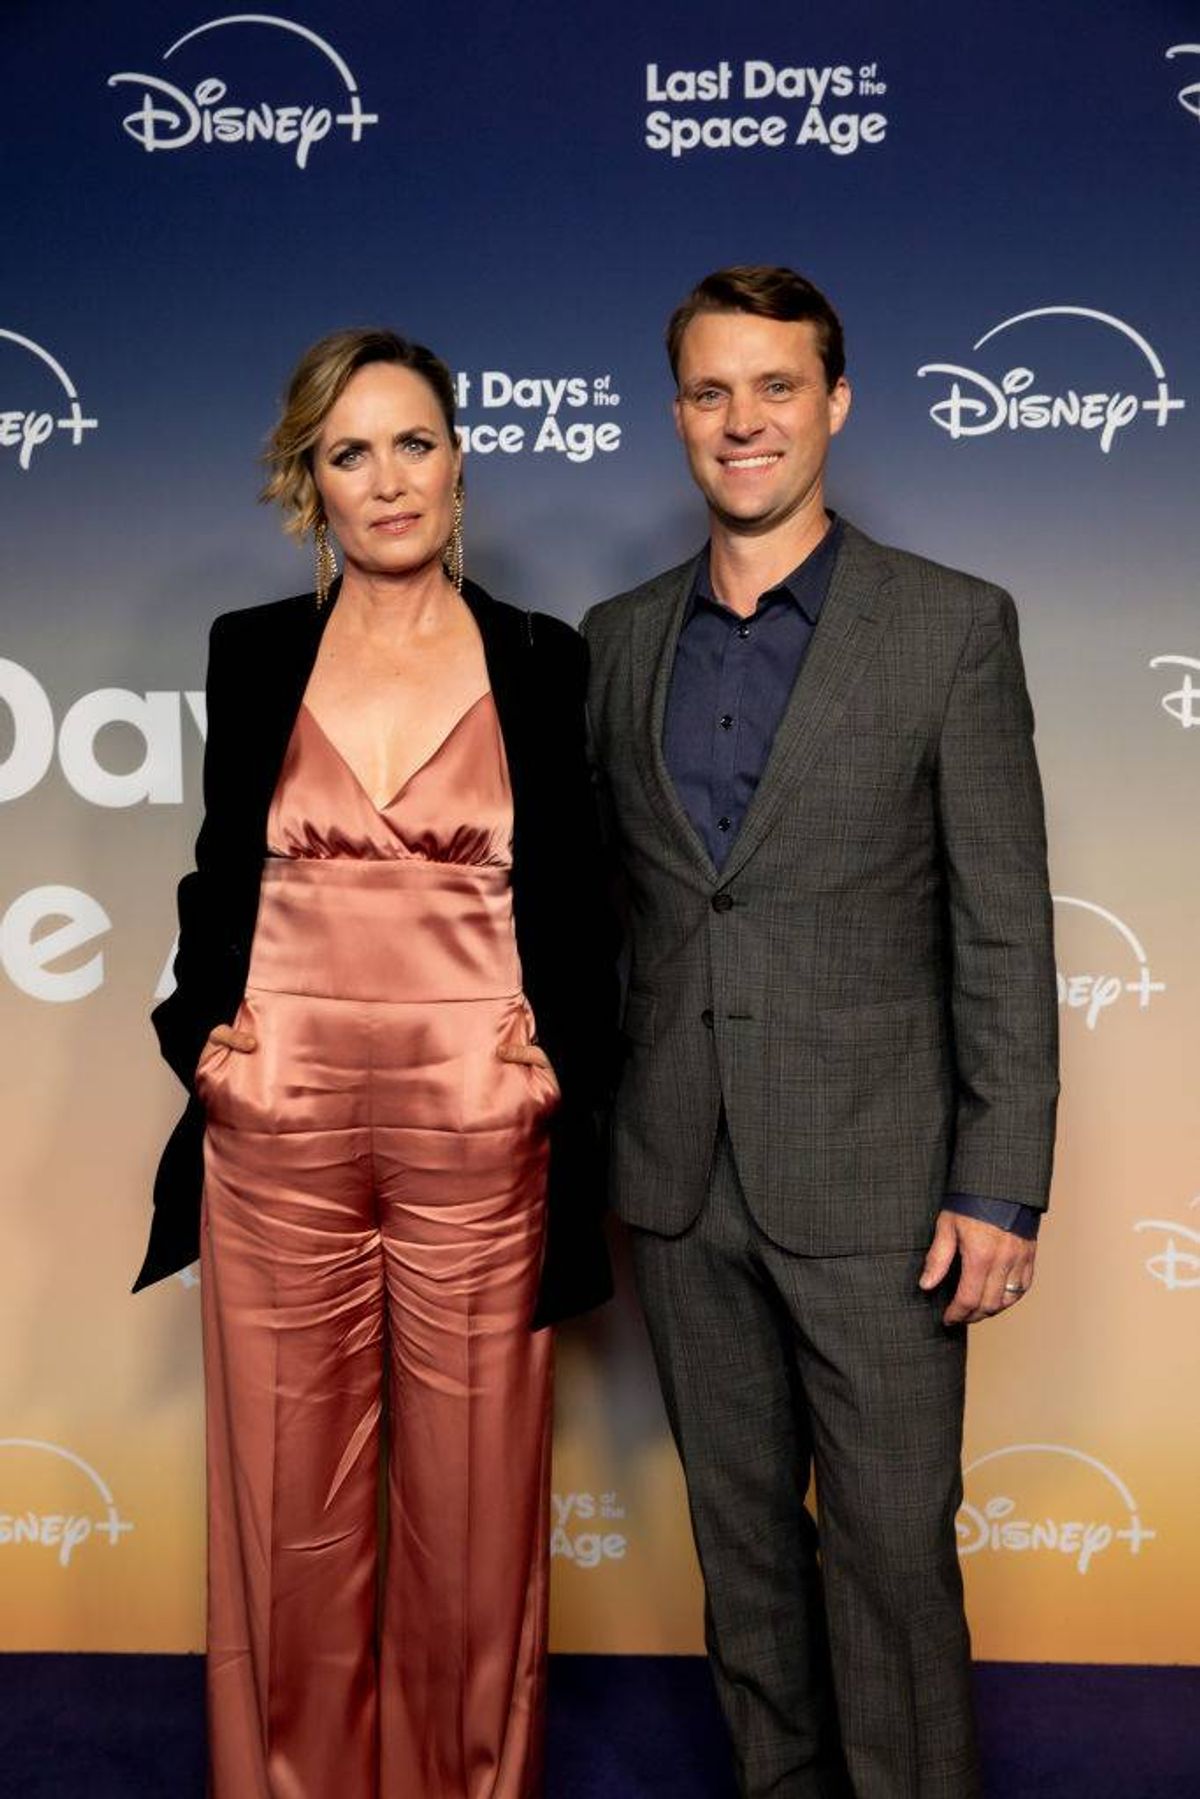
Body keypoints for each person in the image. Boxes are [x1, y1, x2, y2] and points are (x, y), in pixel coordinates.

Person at [581, 267, 1059, 1799]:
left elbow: (1002, 926)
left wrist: (1001, 1184)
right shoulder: (613, 639)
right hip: (677, 1179)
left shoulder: (949, 628)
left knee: (894, 1561)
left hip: (879, 1188)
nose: (745, 421)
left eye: (776, 387)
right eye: (713, 392)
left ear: (836, 403)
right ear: (677, 418)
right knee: (746, 1561)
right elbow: (608, 915)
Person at [138, 328, 615, 1799]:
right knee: (292, 1518)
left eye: (413, 442)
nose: (388, 479)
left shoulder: (543, 657)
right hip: (278, 1127)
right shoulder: (252, 648)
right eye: (351, 453)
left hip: (480, 1126)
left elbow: (587, 903)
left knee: (472, 1523)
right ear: (311, 486)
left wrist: (553, 1068)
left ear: (461, 460)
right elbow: (221, 874)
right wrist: (200, 1045)